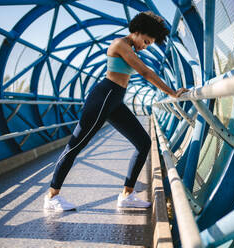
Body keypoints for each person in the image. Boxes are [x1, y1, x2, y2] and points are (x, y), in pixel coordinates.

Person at [43, 11, 189, 211]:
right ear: (136, 32)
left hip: (115, 101)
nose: (145, 46)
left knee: (143, 143)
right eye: (145, 41)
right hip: (103, 98)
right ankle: (52, 196)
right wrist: (172, 92)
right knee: (76, 145)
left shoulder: (130, 47)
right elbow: (145, 72)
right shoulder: (120, 44)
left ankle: (127, 195)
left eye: (149, 44)